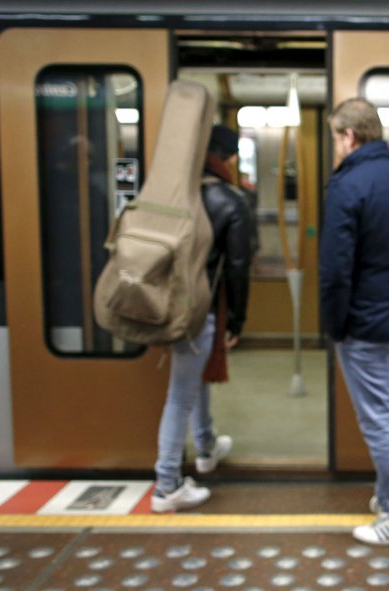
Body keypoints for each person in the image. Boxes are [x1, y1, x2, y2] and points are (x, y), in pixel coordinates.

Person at [319, 98, 389, 546]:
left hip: (365, 325)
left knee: (377, 420)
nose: (336, 148)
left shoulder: (348, 186)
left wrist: (335, 326)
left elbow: (335, 271)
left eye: (335, 138)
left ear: (349, 136)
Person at [151, 124, 253, 513]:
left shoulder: (178, 193)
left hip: (168, 303)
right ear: (227, 157)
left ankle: (206, 446)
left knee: (193, 382)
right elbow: (238, 267)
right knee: (180, 394)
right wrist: (237, 321)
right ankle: (167, 485)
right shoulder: (230, 200)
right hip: (201, 309)